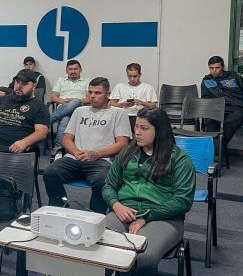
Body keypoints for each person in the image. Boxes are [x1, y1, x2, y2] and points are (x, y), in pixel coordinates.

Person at [102, 108, 196, 276]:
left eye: (144, 128)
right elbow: (109, 186)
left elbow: (182, 201)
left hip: (164, 218)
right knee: (95, 241)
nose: (137, 133)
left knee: (144, 256)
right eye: (136, 127)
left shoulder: (180, 160)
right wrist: (116, 205)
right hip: (123, 212)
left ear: (159, 130)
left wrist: (147, 216)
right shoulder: (127, 153)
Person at [42, 77, 131, 214]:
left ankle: (96, 215)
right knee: (50, 173)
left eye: (97, 93)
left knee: (103, 181)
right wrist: (76, 152)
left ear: (108, 94)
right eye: (90, 92)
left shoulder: (118, 114)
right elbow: (66, 139)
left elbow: (122, 143)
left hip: (101, 161)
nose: (92, 96)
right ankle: (59, 208)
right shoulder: (80, 111)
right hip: (74, 158)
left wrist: (96, 154)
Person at [201, 55, 243, 158]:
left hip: (237, 109)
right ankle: (219, 154)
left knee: (229, 123)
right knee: (210, 124)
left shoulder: (234, 76)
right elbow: (205, 98)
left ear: (222, 67)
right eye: (211, 68)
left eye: (217, 68)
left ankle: (216, 152)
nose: (214, 70)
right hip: (217, 109)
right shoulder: (206, 80)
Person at [50, 60, 90, 148]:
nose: (73, 71)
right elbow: (53, 97)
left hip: (80, 107)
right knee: (64, 120)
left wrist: (75, 101)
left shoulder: (87, 81)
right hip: (64, 106)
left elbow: (89, 98)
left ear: (80, 70)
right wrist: (63, 101)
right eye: (70, 69)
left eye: (75, 69)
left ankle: (49, 121)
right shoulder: (61, 80)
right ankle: (58, 150)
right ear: (66, 70)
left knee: (75, 101)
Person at [110, 63, 158, 130]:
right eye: (129, 76)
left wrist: (141, 102)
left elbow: (153, 106)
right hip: (122, 116)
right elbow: (112, 104)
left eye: (135, 76)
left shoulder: (148, 87)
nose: (132, 79)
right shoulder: (119, 86)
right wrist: (123, 104)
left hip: (140, 117)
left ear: (140, 75)